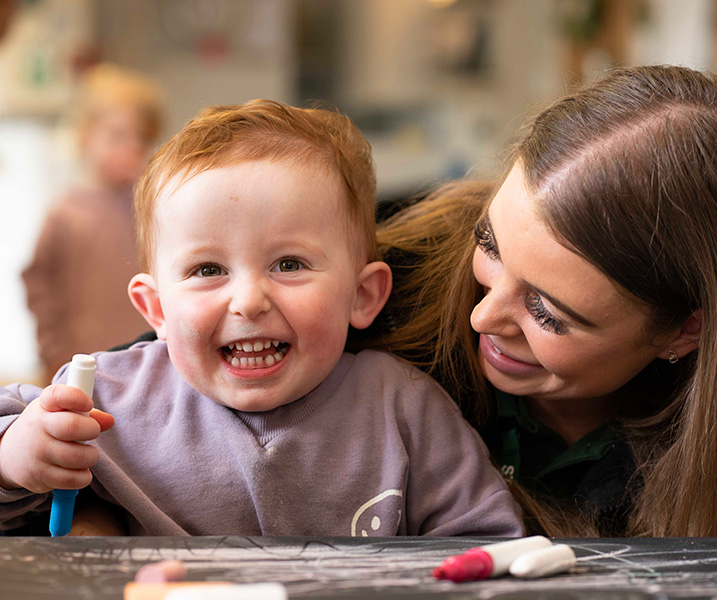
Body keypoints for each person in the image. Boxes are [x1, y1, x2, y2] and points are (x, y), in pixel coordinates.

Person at [0, 99, 524, 537]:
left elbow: (488, 541)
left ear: (363, 295)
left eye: (289, 264)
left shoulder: (405, 408)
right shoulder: (104, 399)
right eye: (208, 269)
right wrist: (15, 457)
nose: (249, 301)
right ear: (156, 308)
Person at [370, 65, 717, 537]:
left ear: (685, 331)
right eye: (489, 245)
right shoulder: (378, 299)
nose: (482, 317)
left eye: (545, 311)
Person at [22, 63, 164, 385]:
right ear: (86, 134)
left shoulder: (153, 206)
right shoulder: (65, 213)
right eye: (117, 135)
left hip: (147, 361)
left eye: (141, 139)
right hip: (82, 364)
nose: (131, 147)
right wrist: (53, 354)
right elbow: (39, 289)